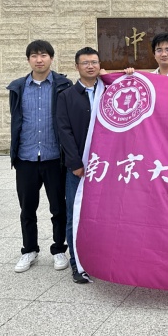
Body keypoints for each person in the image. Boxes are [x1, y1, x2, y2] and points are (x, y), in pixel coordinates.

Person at [7, 40, 72, 274]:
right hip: (26, 157)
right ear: (28, 60)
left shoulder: (63, 85)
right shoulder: (18, 87)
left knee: (59, 208)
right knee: (27, 209)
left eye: (43, 55)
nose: (39, 59)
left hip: (55, 157)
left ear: (51, 58)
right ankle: (29, 250)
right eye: (34, 56)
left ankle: (59, 249)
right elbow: (17, 121)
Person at [56, 47, 105, 284]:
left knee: (102, 215)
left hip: (106, 168)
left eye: (94, 62)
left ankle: (100, 259)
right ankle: (77, 264)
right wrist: (75, 163)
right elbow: (63, 131)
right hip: (79, 169)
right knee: (75, 215)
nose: (90, 66)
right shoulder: (66, 96)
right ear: (77, 67)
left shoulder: (109, 91)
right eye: (85, 63)